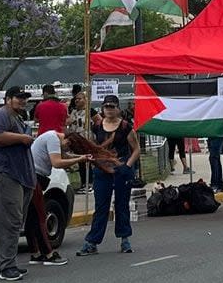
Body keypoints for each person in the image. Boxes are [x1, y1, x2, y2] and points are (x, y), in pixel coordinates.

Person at [0, 86, 36, 281]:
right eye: (18, 98)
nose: (22, 101)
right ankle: (6, 266)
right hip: (3, 174)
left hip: (17, 176)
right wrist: (22, 138)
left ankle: (3, 265)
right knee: (9, 223)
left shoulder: (18, 118)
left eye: (24, 98)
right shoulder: (0, 115)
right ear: (8, 99)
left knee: (12, 222)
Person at [77, 95, 141, 256]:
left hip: (121, 169)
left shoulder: (126, 127)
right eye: (106, 107)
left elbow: (136, 149)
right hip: (102, 170)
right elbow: (92, 146)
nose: (109, 110)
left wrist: (127, 166)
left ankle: (124, 239)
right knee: (101, 207)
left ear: (118, 108)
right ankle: (92, 242)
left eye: (112, 106)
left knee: (121, 205)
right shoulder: (97, 127)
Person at [27, 130, 92, 266]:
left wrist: (81, 157)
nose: (66, 149)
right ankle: (49, 254)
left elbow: (64, 156)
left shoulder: (52, 137)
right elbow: (56, 162)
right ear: (67, 140)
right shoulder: (53, 139)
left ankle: (35, 253)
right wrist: (79, 159)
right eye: (68, 146)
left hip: (34, 177)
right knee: (40, 217)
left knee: (32, 216)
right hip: (35, 178)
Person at [69, 91, 98, 194]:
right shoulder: (73, 111)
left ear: (86, 100)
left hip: (87, 139)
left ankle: (90, 183)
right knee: (80, 161)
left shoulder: (90, 111)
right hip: (76, 139)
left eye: (80, 98)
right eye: (76, 98)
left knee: (88, 161)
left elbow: (99, 121)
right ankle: (83, 183)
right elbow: (68, 122)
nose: (77, 100)